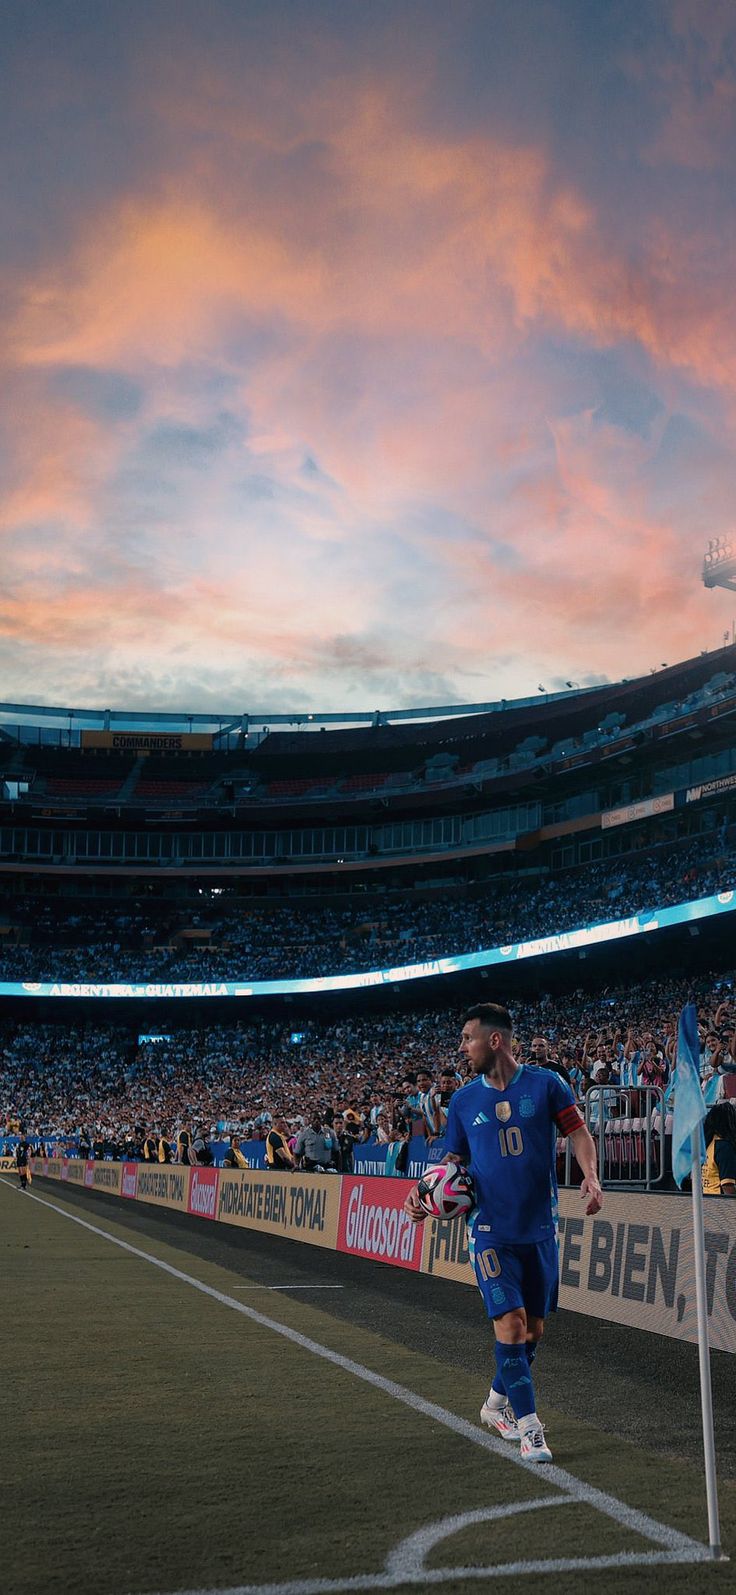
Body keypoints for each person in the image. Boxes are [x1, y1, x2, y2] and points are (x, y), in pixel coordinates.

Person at [404, 1001, 603, 1464]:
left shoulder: (546, 1084)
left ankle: (496, 1404)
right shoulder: (462, 1101)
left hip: (539, 1230)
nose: (463, 1047)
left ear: (495, 1041)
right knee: (511, 1325)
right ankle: (530, 1428)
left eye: (468, 1038)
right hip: (488, 1231)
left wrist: (591, 1176)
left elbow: (578, 1133)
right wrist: (421, 1194)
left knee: (532, 1330)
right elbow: (450, 1164)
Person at [702, 1102, 736, 1197]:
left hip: (706, 1196)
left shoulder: (708, 1143)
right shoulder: (724, 1148)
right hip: (720, 1200)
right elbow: (727, 1186)